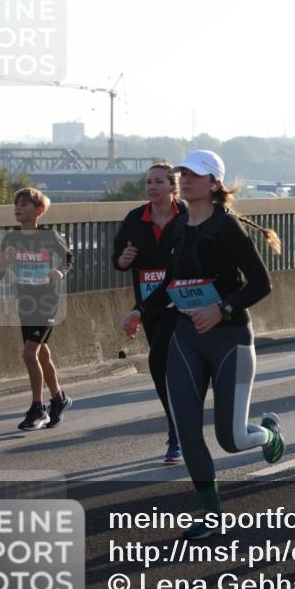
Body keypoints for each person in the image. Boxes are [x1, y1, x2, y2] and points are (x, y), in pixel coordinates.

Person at [122, 150, 286, 539]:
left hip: (230, 338)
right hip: (185, 337)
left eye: (195, 175)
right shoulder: (179, 226)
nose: (187, 180)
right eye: (183, 174)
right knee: (189, 430)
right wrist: (140, 310)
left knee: (232, 439)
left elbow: (262, 284)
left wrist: (222, 309)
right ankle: (212, 514)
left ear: (214, 183)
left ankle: (269, 434)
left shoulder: (227, 227)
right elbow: (170, 282)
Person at [112, 164, 187, 464]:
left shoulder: (186, 216)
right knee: (161, 371)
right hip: (149, 305)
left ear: (172, 186)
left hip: (183, 304)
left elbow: (178, 270)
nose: (151, 187)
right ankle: (178, 426)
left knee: (161, 361)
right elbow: (117, 257)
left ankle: (178, 434)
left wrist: (137, 311)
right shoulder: (135, 218)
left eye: (158, 181)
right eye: (148, 182)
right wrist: (123, 259)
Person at [0, 188, 74, 431]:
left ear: (39, 211)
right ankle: (59, 399)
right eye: (16, 204)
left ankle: (38, 408)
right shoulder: (10, 239)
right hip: (25, 302)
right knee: (41, 354)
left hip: (47, 302)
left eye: (25, 204)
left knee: (29, 354)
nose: (18, 208)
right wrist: (2, 264)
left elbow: (68, 258)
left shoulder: (49, 237)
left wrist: (60, 271)